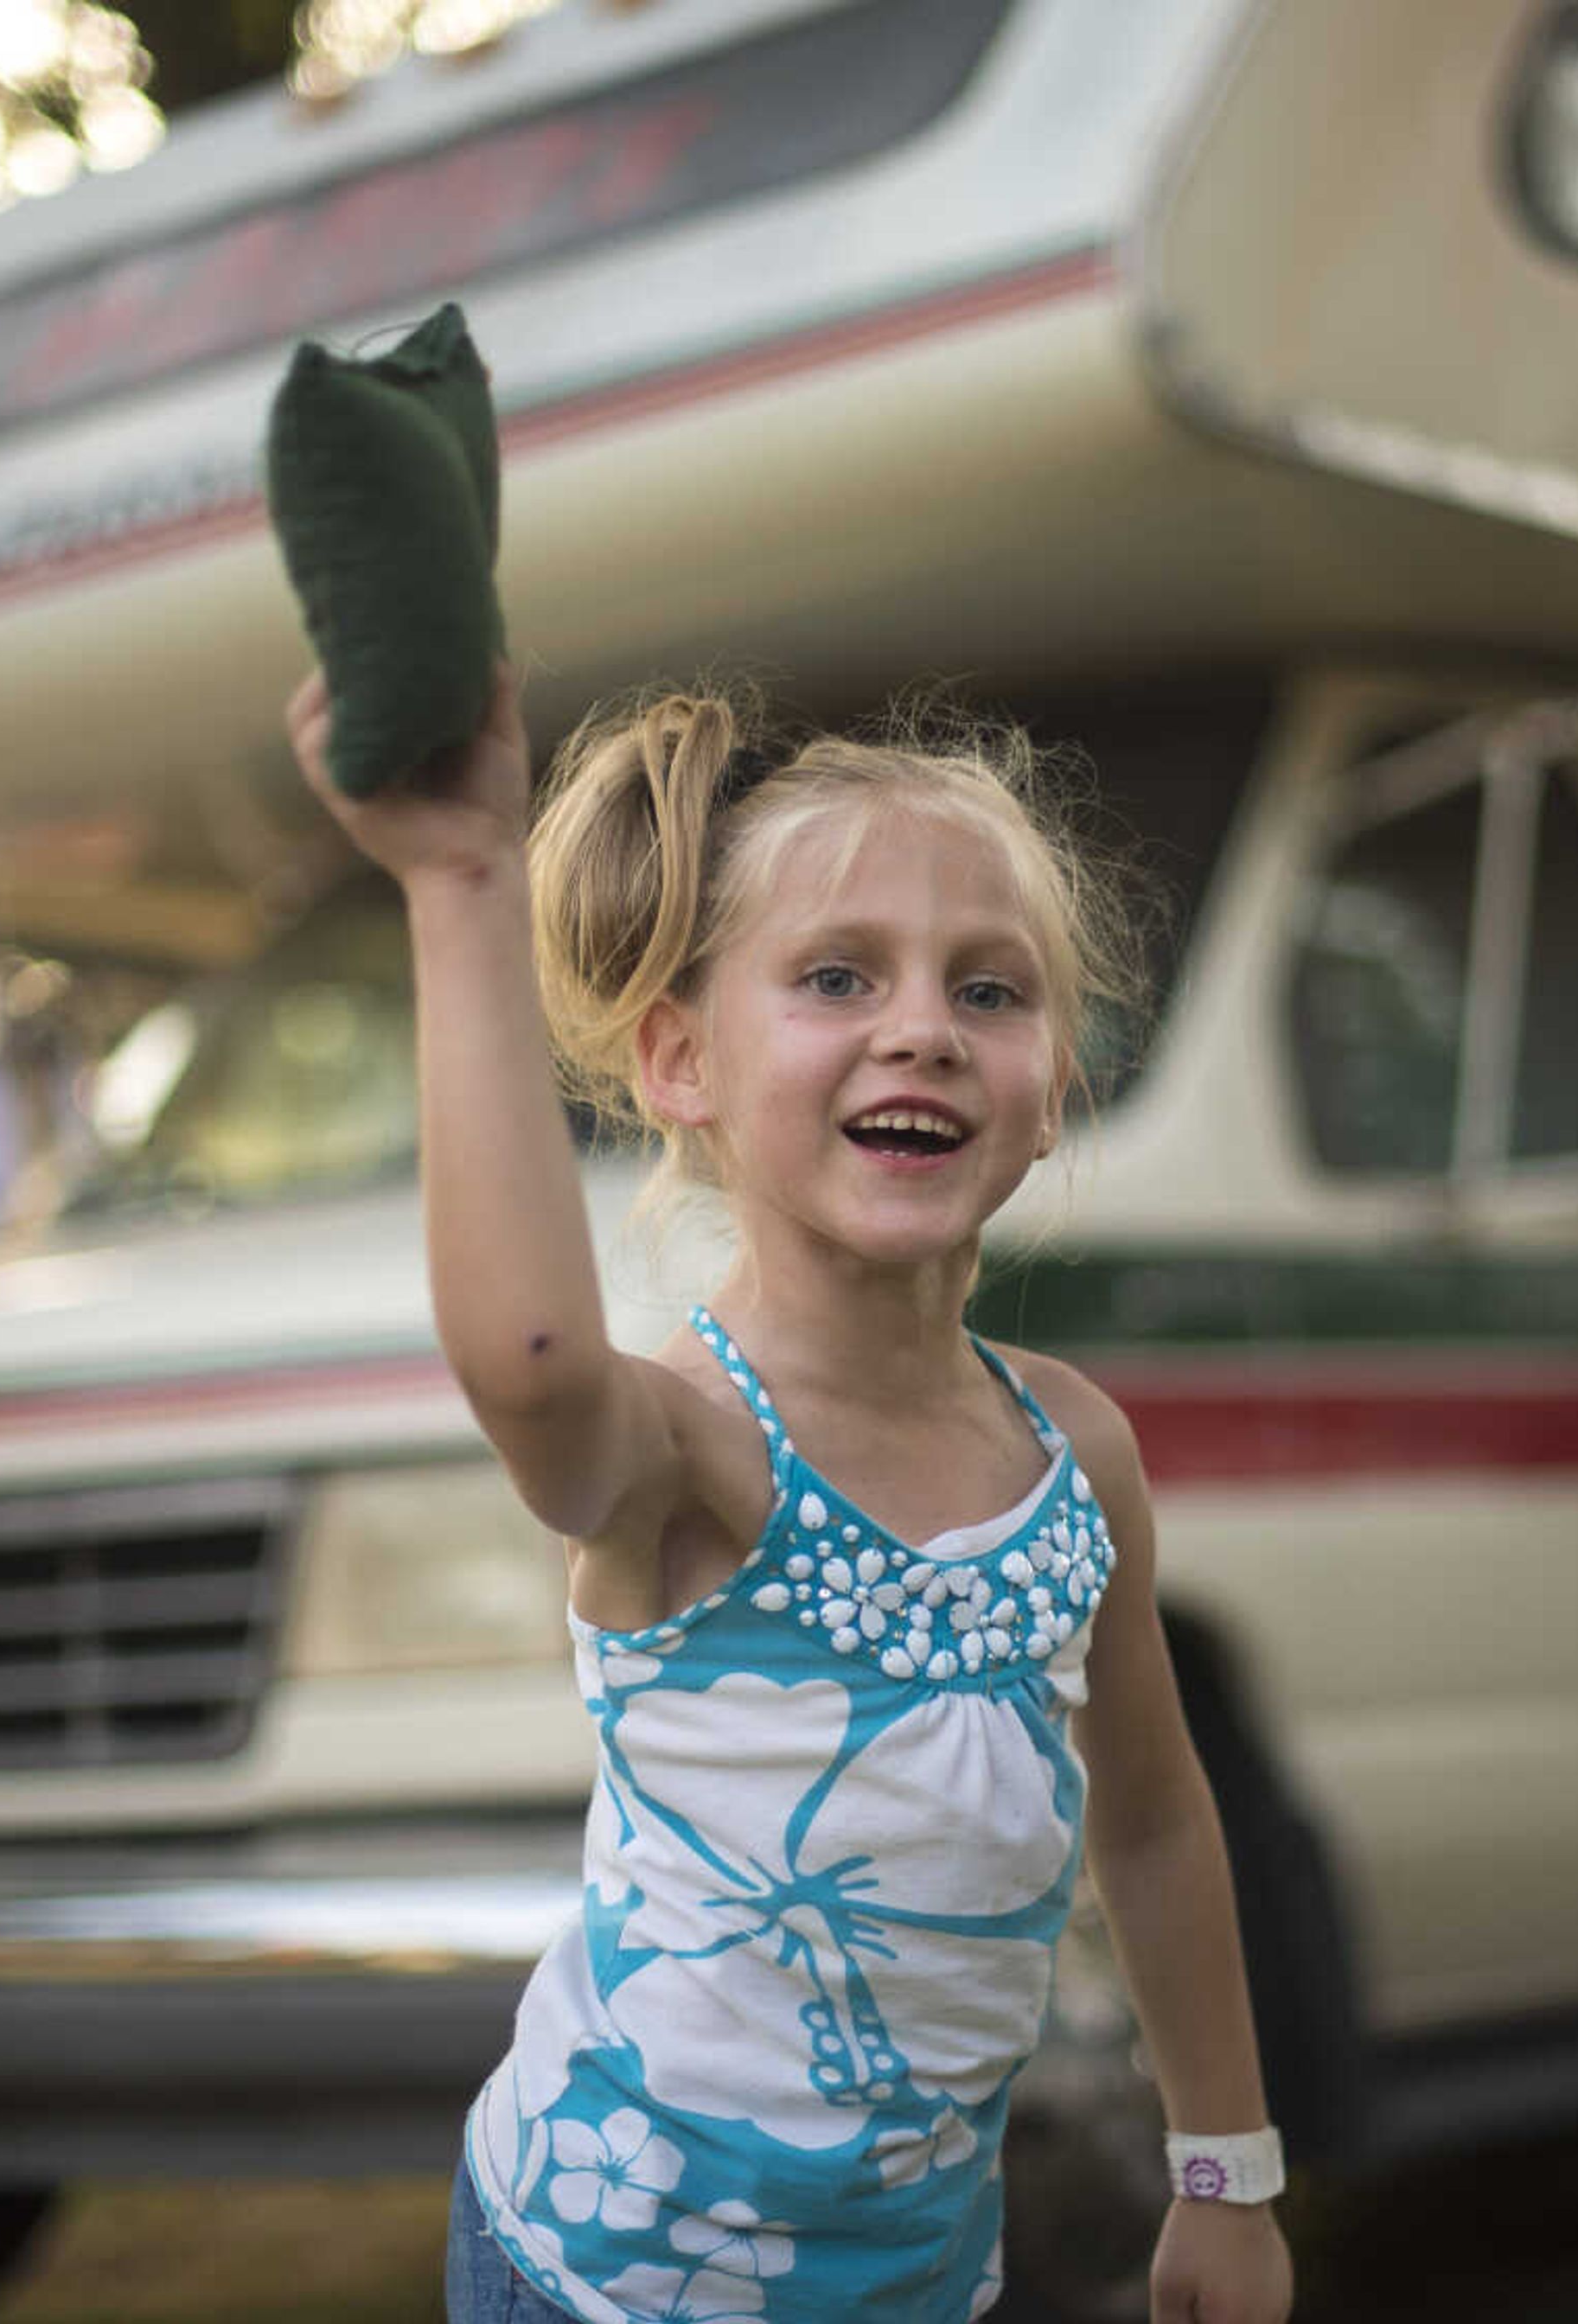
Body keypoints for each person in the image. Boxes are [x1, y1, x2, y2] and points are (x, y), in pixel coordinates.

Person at [285, 662, 1299, 2324]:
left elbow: (1159, 1816)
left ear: (1056, 1083)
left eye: (991, 991)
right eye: (838, 977)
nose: (922, 1028)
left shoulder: (1075, 1453)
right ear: (679, 1062)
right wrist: (457, 887)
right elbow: (532, 1364)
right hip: (600, 2278)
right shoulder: (688, 1451)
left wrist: (1225, 2168)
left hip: (919, 2282)